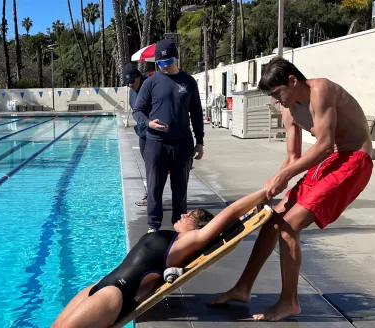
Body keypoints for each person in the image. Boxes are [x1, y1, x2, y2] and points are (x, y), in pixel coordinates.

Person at [209, 57, 374, 321]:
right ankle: (243, 288)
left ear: (293, 81)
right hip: (332, 160)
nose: (277, 101)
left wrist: (285, 175)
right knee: (272, 219)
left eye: (277, 93)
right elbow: (292, 156)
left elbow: (323, 144)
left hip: (354, 160)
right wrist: (273, 184)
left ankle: (289, 302)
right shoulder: (289, 110)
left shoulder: (322, 91)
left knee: (289, 225)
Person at [51, 188, 272, 328]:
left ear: (199, 228)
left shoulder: (190, 240)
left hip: (115, 294)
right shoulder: (175, 238)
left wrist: (264, 192)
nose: (184, 214)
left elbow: (231, 211)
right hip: (100, 285)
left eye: (191, 216)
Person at [132, 39, 205, 233]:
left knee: (180, 189)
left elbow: (197, 113)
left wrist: (200, 142)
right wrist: (148, 123)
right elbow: (137, 111)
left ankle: (179, 226)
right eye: (160, 63)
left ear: (176, 58)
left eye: (168, 61)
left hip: (182, 144)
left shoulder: (188, 82)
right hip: (156, 144)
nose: (164, 66)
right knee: (154, 188)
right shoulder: (150, 82)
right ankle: (153, 226)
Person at [122, 63, 150, 206]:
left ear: (139, 77)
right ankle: (150, 195)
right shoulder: (132, 91)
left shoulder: (150, 85)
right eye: (127, 82)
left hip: (154, 133)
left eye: (132, 81)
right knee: (148, 165)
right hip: (143, 133)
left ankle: (151, 196)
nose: (130, 85)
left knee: (154, 166)